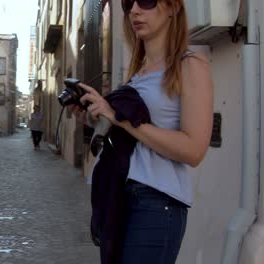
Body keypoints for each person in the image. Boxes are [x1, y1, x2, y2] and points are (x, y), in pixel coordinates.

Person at [72, 0, 214, 263]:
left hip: (156, 202)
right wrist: (95, 118)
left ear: (173, 8)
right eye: (128, 4)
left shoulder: (190, 65)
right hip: (119, 194)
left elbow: (194, 150)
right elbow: (130, 138)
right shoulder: (138, 73)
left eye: (147, 1)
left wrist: (120, 118)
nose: (135, 10)